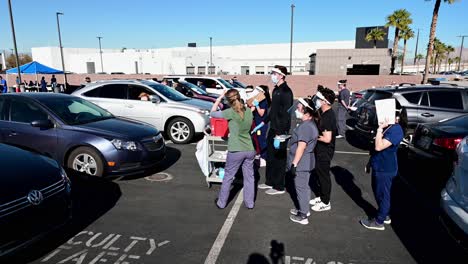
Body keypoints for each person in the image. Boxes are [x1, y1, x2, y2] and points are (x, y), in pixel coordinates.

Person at [210, 89, 256, 209]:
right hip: (249, 148)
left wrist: (219, 98)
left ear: (229, 100)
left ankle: (221, 202)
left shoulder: (230, 112)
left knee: (228, 177)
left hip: (236, 149)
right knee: (249, 177)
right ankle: (249, 203)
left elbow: (213, 113)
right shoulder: (249, 112)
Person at [360, 109, 405, 231]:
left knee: (383, 195)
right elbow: (375, 150)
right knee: (378, 192)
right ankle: (384, 215)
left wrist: (380, 130)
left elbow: (378, 146)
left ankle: (379, 222)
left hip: (385, 168)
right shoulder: (388, 127)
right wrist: (370, 162)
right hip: (378, 165)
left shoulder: (396, 130)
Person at [258, 65, 294, 195]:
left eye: (274, 73)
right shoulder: (276, 90)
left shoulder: (286, 92)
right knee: (270, 156)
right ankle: (270, 181)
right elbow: (273, 110)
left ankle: (279, 186)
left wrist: (281, 133)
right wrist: (264, 122)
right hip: (273, 128)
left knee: (279, 158)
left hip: (280, 131)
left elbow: (286, 114)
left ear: (281, 75)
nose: (272, 75)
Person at [288, 98, 319, 225]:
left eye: (299, 108)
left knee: (300, 188)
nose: (297, 110)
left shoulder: (306, 126)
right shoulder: (309, 124)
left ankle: (303, 215)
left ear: (306, 112)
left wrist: (294, 164)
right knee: (304, 187)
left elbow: (301, 146)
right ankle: (304, 209)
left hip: (302, 162)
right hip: (307, 161)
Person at [309, 86, 337, 212]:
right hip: (320, 151)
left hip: (324, 152)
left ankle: (326, 202)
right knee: (320, 175)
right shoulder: (324, 113)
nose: (317, 101)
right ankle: (322, 197)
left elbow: (327, 139)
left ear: (325, 101)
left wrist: (314, 136)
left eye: (319, 99)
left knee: (324, 176)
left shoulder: (328, 116)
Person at [250, 85, 271, 167]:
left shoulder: (263, 101)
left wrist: (257, 105)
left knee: (262, 141)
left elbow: (261, 113)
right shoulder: (258, 99)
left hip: (261, 124)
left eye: (258, 90)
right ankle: (259, 155)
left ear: (263, 92)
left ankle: (264, 157)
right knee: (257, 140)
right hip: (256, 123)